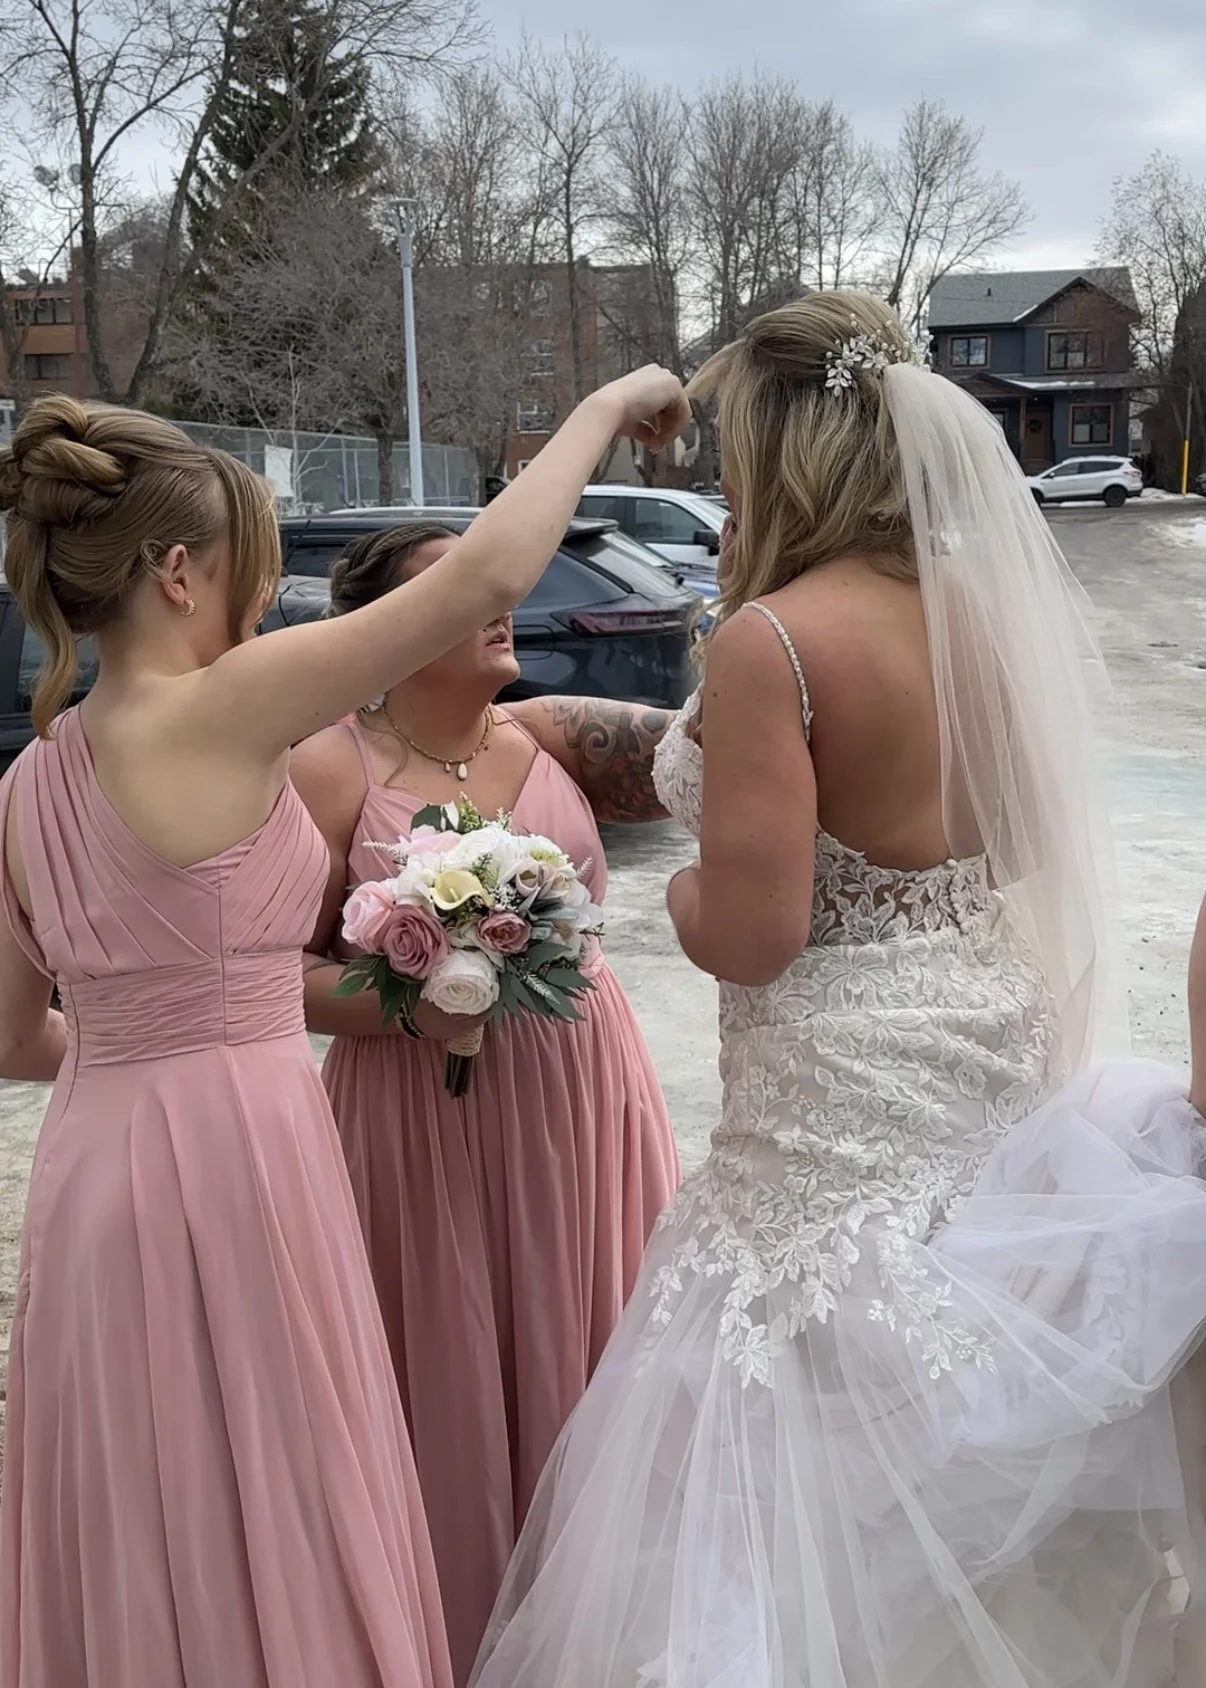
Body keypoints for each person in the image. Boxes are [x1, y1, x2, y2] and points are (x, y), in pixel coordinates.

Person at [469, 294, 1206, 1688]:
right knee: (937, 1431)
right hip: (981, 1046)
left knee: (777, 1422)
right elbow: (1033, 842)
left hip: (825, 1101)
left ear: (785, 458)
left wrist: (666, 889)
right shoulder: (984, 618)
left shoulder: (775, 643)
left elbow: (751, 934)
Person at [0, 368, 688, 1688]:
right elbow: (483, 570)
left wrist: (148, 1060)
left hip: (92, 1173)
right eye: (253, 574)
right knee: (284, 1480)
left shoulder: (26, 787)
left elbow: (16, 1042)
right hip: (245, 1160)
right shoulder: (226, 706)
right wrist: (604, 410)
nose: (267, 606)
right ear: (178, 573)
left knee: (140, 1503)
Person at [292, 520, 681, 1685]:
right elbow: (265, 971)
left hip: (582, 1102)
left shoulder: (549, 731)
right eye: (460, 589)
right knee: (446, 1371)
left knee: (595, 1353)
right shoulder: (327, 766)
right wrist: (408, 998)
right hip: (419, 1120)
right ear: (390, 626)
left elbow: (735, 762)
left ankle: (597, 1634)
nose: (500, 602)